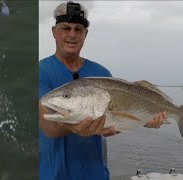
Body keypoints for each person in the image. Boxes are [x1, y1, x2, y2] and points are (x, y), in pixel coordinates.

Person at [39, 2, 167, 180]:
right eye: (65, 28)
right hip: (53, 175)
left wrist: (142, 119)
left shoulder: (102, 74)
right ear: (54, 32)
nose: (72, 34)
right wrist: (74, 128)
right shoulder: (41, 71)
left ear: (86, 34)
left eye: (78, 29)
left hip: (95, 174)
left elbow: (114, 125)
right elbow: (47, 127)